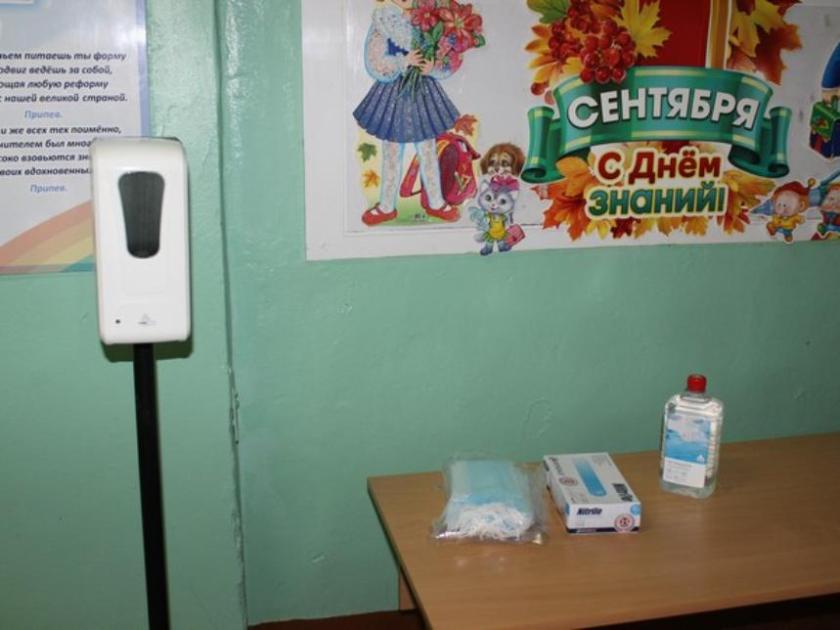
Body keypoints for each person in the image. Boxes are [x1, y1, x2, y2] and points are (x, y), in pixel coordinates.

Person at [353, 0, 461, 226]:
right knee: (392, 151)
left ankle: (436, 202)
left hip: (423, 93)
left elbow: (448, 55)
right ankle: (386, 206)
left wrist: (433, 67)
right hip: (394, 95)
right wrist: (403, 61)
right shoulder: (384, 20)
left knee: (428, 149)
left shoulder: (433, 17)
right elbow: (375, 62)